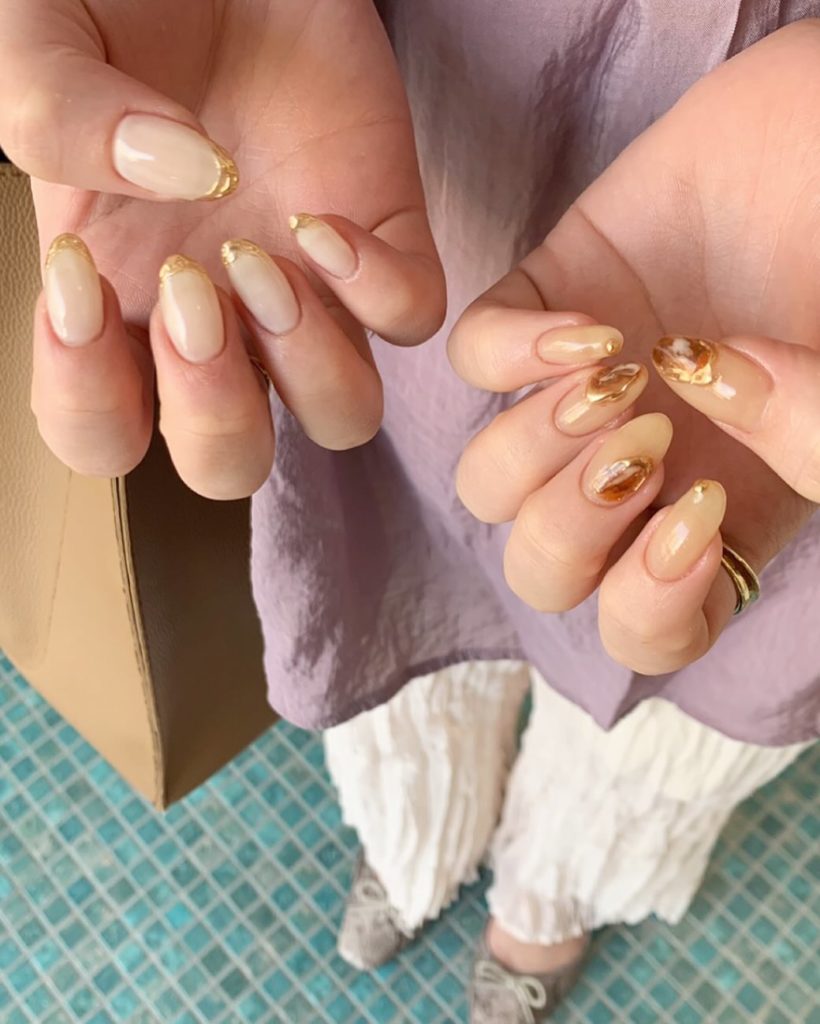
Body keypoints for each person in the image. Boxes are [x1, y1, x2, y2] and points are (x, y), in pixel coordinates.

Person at [3, 2, 819, 1020]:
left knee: (690, 618)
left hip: (794, 230)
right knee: (418, 552)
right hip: (418, 106)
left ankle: (557, 885)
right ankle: (419, 830)